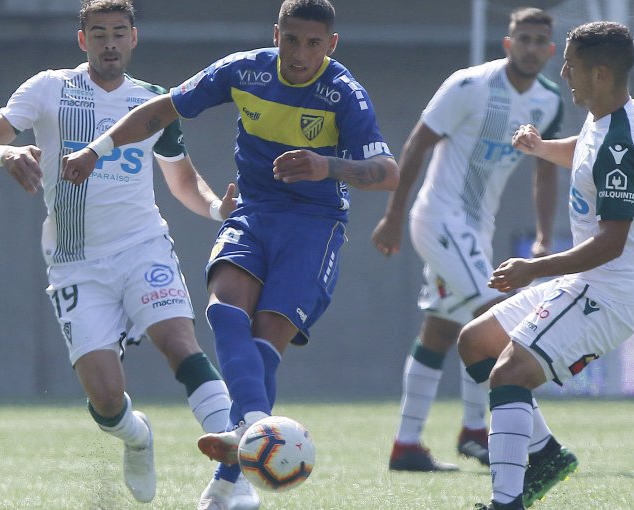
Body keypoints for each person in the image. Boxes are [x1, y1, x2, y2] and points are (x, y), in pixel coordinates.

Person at [61, 1, 399, 508]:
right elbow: (160, 110)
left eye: (313, 44)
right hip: (253, 214)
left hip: (314, 227)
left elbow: (388, 172)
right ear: (276, 34)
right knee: (223, 309)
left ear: (330, 45)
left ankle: (229, 477)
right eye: (291, 40)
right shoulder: (244, 70)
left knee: (267, 338)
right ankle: (252, 433)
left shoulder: (344, 93)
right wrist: (96, 149)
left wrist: (325, 166)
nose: (300, 54)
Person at [0, 0, 239, 504]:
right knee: (107, 400)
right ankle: (137, 436)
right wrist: (6, 154)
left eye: (118, 33)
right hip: (75, 262)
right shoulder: (48, 88)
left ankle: (233, 470)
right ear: (82, 40)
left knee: (180, 344)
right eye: (99, 33)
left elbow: (180, 179)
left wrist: (218, 209)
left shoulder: (154, 101)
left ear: (134, 38)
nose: (109, 43)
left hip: (142, 247)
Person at [460, 21, 634, 510]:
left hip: (605, 296)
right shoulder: (612, 114)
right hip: (583, 284)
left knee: (509, 374)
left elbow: (611, 243)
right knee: (477, 342)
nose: (563, 70)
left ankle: (506, 502)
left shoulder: (622, 143)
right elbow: (584, 152)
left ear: (600, 72)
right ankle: (546, 453)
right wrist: (541, 148)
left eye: (570, 63)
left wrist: (534, 268)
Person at [372, 7, 563, 472]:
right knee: (494, 319)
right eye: (524, 39)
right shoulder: (468, 85)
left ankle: (407, 445)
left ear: (550, 50)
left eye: (541, 41)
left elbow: (544, 170)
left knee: (441, 328)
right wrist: (393, 215)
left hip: (476, 228)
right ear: (507, 43)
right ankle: (497, 436)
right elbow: (417, 143)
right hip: (439, 220)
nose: (532, 48)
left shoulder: (550, 101)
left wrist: (542, 235)